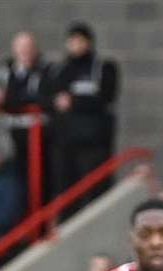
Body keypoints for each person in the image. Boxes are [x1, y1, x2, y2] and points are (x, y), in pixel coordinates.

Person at [49, 22, 120, 208]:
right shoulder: (60, 70)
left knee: (97, 188)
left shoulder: (103, 67)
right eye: (71, 41)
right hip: (67, 142)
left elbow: (107, 96)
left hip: (95, 142)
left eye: (80, 41)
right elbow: (48, 97)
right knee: (67, 190)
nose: (75, 45)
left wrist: (75, 102)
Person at [0, 31, 53, 194]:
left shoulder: (46, 70)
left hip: (39, 134)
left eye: (29, 47)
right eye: (21, 47)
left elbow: (41, 98)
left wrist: (9, 100)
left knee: (40, 179)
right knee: (15, 178)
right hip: (10, 133)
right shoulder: (4, 70)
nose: (25, 51)